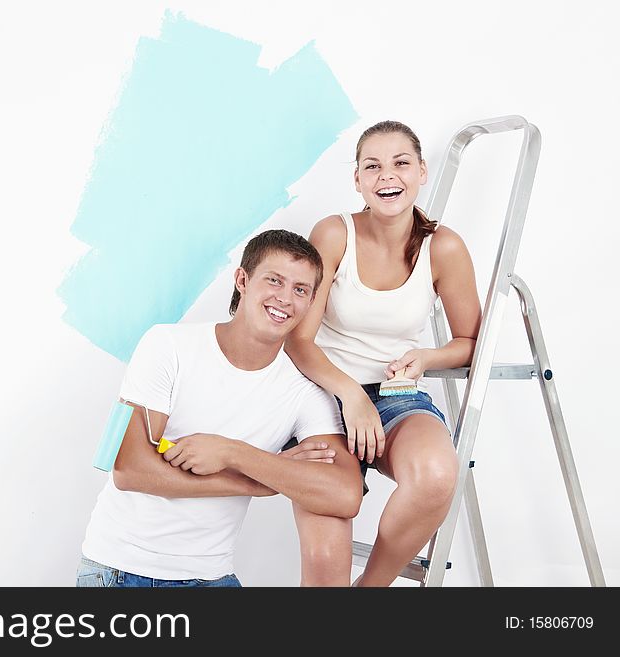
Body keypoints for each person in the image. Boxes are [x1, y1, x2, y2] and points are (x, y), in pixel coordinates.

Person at [77, 229, 363, 587]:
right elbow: (129, 469)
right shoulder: (167, 345)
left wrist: (233, 453)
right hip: (120, 571)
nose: (285, 299)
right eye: (274, 281)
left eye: (301, 290)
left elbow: (344, 494)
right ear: (242, 279)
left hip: (211, 576)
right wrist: (256, 484)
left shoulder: (305, 392)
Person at [284, 120, 482, 587]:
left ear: (421, 172)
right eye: (372, 166)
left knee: (436, 475)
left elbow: (469, 343)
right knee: (325, 571)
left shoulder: (444, 247)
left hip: (396, 396)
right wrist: (351, 396)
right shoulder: (334, 234)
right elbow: (298, 341)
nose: (386, 176)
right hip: (323, 393)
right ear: (357, 180)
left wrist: (427, 358)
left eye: (400, 163)